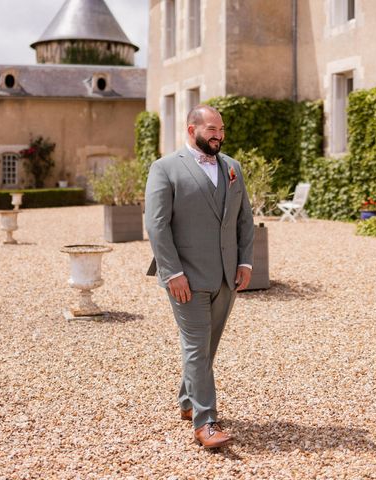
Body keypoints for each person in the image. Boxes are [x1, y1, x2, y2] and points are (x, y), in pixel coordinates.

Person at [144, 104, 254, 448]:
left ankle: (188, 402)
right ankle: (206, 423)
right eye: (211, 130)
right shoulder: (164, 169)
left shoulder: (233, 168)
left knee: (206, 347)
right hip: (185, 279)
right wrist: (171, 271)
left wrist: (246, 263)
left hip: (226, 278)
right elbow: (156, 225)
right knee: (196, 346)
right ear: (191, 130)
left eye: (221, 130)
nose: (219, 136)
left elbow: (244, 220)